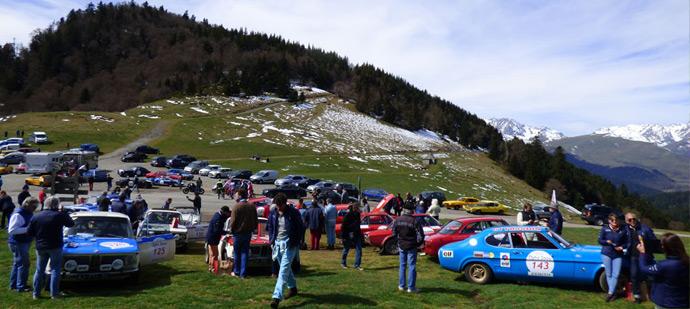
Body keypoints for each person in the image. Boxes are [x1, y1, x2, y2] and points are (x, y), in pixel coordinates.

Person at [28, 196, 75, 299]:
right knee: (55, 269)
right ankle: (54, 294)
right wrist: (64, 212)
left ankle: (36, 293)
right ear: (56, 205)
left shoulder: (36, 216)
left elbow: (29, 232)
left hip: (40, 245)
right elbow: (71, 224)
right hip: (55, 245)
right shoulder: (59, 215)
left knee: (39, 270)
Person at [267, 193, 304, 308]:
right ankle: (293, 288)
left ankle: (276, 297)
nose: (278, 208)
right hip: (277, 244)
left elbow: (300, 228)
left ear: (285, 203)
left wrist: (298, 241)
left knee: (283, 270)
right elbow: (271, 227)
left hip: (290, 245)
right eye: (276, 205)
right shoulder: (273, 213)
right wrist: (271, 240)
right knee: (286, 268)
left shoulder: (293, 213)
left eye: (280, 205)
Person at [637, 233, 689, 309]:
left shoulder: (665, 265)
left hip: (666, 303)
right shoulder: (686, 261)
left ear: (667, 248)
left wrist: (642, 253)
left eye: (662, 245)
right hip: (682, 302)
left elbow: (644, 269)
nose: (660, 247)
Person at [624, 212, 658, 304]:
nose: (632, 221)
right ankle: (637, 296)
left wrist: (645, 244)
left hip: (646, 256)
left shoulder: (645, 228)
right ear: (626, 221)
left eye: (633, 219)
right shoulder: (625, 229)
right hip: (633, 257)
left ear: (637, 219)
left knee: (649, 276)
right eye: (629, 220)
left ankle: (653, 295)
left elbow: (654, 241)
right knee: (634, 276)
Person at [393, 202, 425, 293]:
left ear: (404, 209)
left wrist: (398, 241)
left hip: (401, 245)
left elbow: (394, 232)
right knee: (411, 266)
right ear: (412, 211)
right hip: (412, 246)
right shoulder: (415, 221)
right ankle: (411, 288)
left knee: (402, 266)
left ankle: (401, 286)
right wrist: (418, 244)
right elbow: (421, 236)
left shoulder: (398, 219)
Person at [8, 197, 38, 292]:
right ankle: (21, 286)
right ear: (27, 205)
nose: (35, 208)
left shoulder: (28, 213)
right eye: (34, 206)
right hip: (18, 243)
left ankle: (14, 285)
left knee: (17, 263)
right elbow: (12, 230)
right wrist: (29, 229)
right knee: (24, 264)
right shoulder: (18, 215)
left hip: (23, 242)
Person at [598, 213, 628, 302]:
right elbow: (600, 240)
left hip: (618, 255)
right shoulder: (604, 228)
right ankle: (612, 293)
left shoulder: (623, 230)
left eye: (616, 220)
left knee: (616, 274)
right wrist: (607, 242)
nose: (614, 222)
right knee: (609, 274)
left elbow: (627, 243)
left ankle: (610, 293)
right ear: (609, 220)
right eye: (612, 220)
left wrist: (622, 247)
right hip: (606, 254)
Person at [229, 201, 258, 278]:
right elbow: (255, 219)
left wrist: (231, 230)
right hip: (248, 232)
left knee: (237, 253)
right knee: (244, 252)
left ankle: (237, 271)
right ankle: (243, 273)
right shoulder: (252, 206)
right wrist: (254, 228)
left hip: (238, 233)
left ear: (239, 196)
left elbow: (233, 220)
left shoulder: (236, 206)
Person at [206, 206, 231, 273]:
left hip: (210, 237)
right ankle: (214, 268)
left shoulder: (217, 215)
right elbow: (217, 230)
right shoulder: (218, 219)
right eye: (227, 213)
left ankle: (211, 268)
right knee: (215, 255)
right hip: (213, 238)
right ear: (224, 212)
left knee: (211, 254)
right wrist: (226, 232)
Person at [341, 202, 363, 270]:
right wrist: (344, 237)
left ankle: (357, 265)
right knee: (346, 249)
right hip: (348, 234)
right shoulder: (348, 215)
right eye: (358, 207)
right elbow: (343, 226)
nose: (359, 209)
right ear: (355, 208)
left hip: (357, 234)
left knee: (359, 249)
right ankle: (343, 263)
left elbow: (358, 224)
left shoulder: (358, 214)